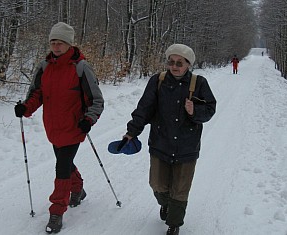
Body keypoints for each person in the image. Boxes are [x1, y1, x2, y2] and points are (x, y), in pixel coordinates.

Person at [14, 22, 104, 233]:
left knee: (61, 167)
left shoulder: (81, 67)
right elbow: (37, 94)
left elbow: (96, 100)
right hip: (53, 127)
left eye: (60, 42)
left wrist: (88, 120)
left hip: (74, 127)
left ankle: (57, 212)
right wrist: (25, 108)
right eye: (53, 42)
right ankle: (78, 188)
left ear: (69, 44)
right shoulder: (45, 66)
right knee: (64, 161)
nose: (56, 46)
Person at [120, 44, 216, 235]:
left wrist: (194, 111)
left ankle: (174, 224)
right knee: (157, 184)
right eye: (171, 62)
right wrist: (132, 132)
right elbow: (144, 109)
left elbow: (210, 109)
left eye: (179, 63)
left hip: (187, 146)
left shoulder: (199, 83)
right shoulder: (158, 81)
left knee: (180, 189)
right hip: (160, 143)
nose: (174, 66)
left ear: (188, 64)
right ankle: (166, 204)